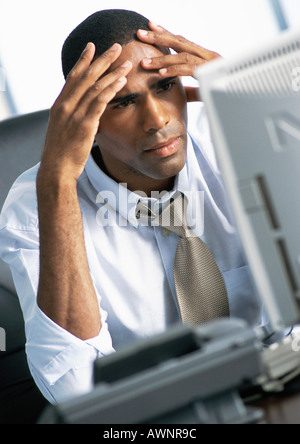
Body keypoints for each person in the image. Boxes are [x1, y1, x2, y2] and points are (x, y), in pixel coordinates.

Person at [0, 9, 265, 404]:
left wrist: (263, 105)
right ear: (86, 121)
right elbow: (75, 389)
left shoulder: (238, 138)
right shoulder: (36, 204)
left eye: (165, 86)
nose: (158, 120)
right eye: (122, 102)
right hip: (157, 411)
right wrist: (57, 184)